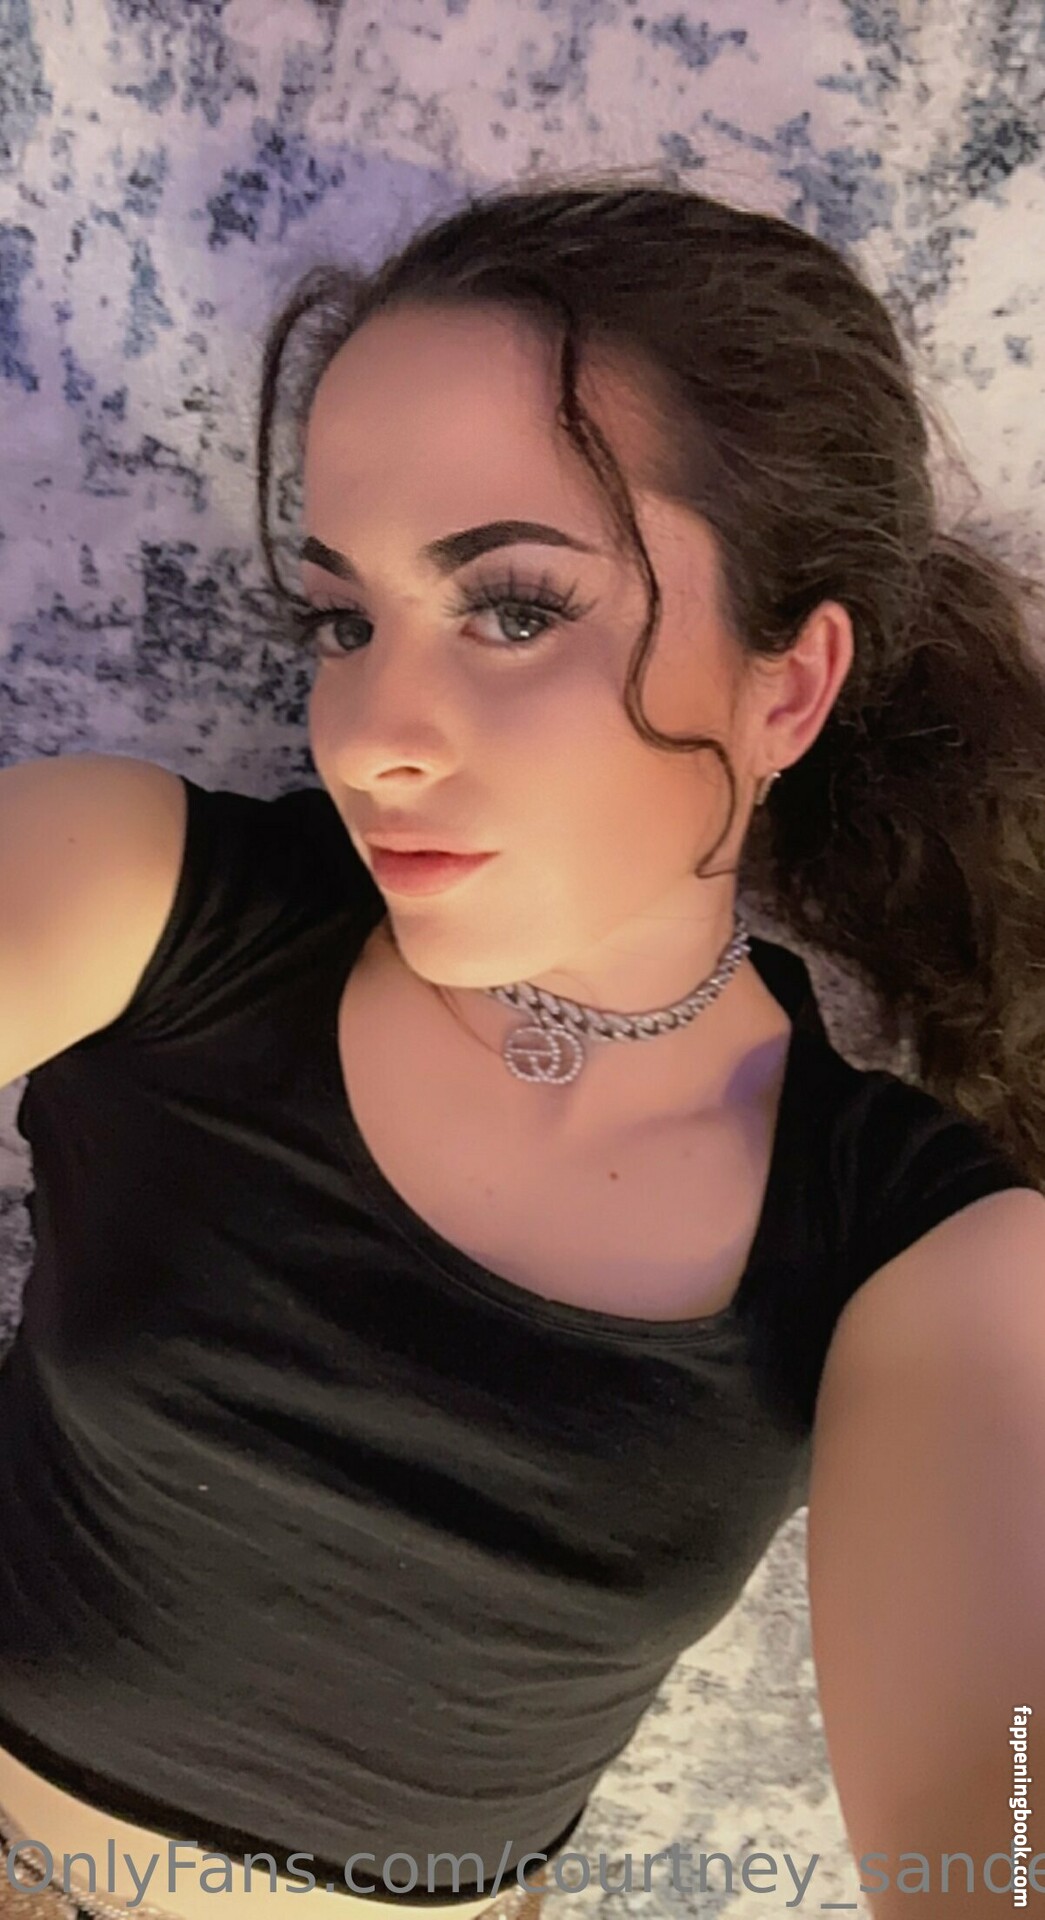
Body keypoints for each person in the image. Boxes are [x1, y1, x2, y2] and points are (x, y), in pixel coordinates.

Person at [1, 169, 1044, 1920]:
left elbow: (995, 1807)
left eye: (511, 609)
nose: (366, 736)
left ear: (786, 686)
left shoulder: (917, 1247)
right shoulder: (146, 898)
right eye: (344, 620)